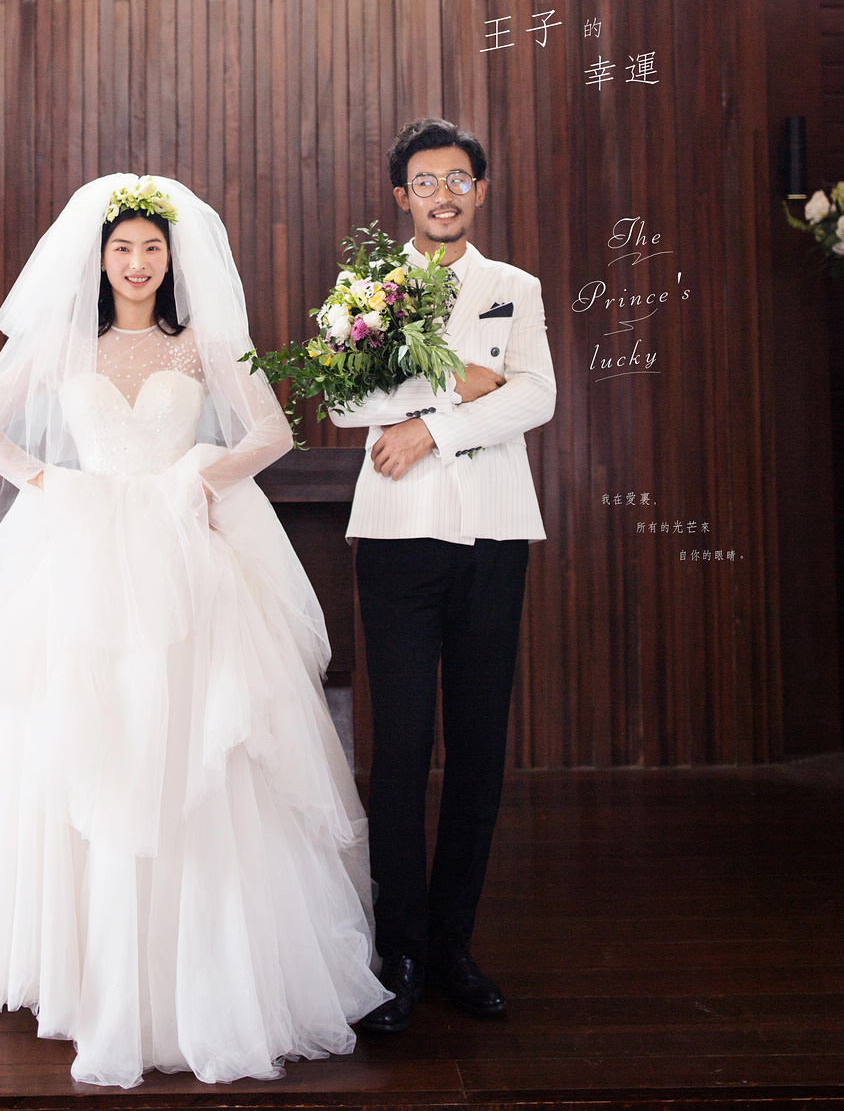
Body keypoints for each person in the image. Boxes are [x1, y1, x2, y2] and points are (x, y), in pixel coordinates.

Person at [0, 174, 387, 1088]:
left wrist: (197, 478)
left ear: (172, 258)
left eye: (153, 248)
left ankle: (204, 975)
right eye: (123, 248)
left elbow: (270, 433)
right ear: (100, 258)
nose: (138, 263)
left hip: (183, 552)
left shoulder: (203, 344)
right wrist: (53, 485)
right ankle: (81, 970)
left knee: (195, 743)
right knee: (77, 740)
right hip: (81, 550)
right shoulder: (62, 345)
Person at [330, 119, 556, 1033]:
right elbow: (344, 401)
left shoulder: (514, 288)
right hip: (396, 538)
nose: (444, 195)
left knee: (477, 748)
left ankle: (455, 945)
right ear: (402, 197)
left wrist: (431, 427)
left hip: (496, 536)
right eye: (426, 182)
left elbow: (536, 394)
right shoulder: (364, 289)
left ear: (480, 190)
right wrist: (454, 382)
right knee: (400, 749)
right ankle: (401, 952)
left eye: (459, 179)